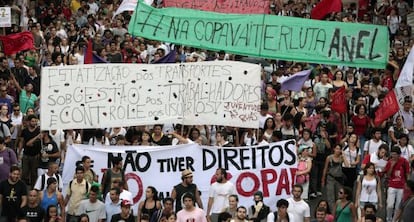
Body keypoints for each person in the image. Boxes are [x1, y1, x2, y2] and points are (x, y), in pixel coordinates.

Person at [384, 146, 410, 222]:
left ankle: (395, 220)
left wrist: (407, 185)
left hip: (401, 186)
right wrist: (392, 165)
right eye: (392, 154)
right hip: (392, 185)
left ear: (399, 155)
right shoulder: (389, 162)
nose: (393, 156)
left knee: (398, 206)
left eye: (395, 154)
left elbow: (407, 174)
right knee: (390, 205)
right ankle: (388, 219)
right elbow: (388, 175)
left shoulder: (405, 161)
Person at [322, 144, 349, 210]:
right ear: (334, 149)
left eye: (339, 149)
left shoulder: (341, 158)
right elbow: (325, 168)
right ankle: (332, 212)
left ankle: (338, 210)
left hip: (339, 179)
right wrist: (323, 179)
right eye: (336, 148)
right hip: (330, 178)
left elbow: (347, 165)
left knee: (339, 196)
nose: (338, 150)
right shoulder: (329, 158)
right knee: (330, 196)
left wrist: (344, 155)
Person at [18, 114, 41, 187]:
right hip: (26, 155)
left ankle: (33, 189)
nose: (34, 123)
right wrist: (19, 153)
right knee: (24, 173)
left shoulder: (38, 131)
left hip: (35, 155)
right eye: (32, 121)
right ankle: (24, 189)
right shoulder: (24, 131)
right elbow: (21, 142)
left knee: (34, 174)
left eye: (35, 121)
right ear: (28, 122)